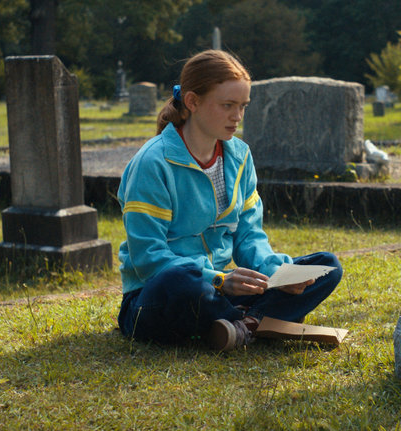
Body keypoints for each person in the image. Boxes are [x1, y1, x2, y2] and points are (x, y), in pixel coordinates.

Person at [116, 50, 343, 351]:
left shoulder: (239, 156)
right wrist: (219, 279)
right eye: (227, 106)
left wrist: (276, 272)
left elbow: (249, 235)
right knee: (183, 280)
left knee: (327, 266)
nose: (237, 117)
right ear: (193, 101)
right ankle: (260, 322)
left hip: (221, 293)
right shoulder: (153, 162)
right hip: (159, 296)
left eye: (243, 107)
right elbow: (148, 259)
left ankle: (240, 326)